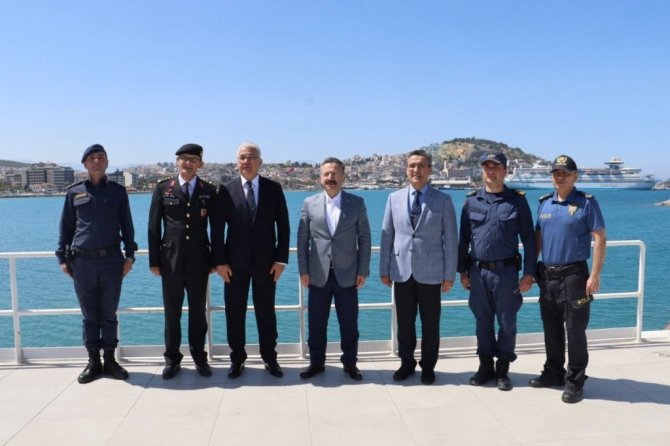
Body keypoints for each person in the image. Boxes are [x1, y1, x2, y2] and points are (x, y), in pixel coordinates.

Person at [56, 144, 137, 384]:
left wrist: (130, 256)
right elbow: (66, 227)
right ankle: (93, 362)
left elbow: (127, 226)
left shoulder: (118, 192)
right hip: (82, 262)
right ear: (85, 164)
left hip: (112, 261)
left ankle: (110, 361)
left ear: (107, 162)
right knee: (90, 316)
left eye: (101, 157)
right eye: (92, 158)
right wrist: (62, 259)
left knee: (109, 314)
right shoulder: (74, 192)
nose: (96, 161)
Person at [457, 152, 536, 391]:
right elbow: (463, 240)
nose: (491, 171)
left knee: (507, 322)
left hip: (506, 273)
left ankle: (502, 369)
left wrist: (529, 274)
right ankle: (485, 366)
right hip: (478, 273)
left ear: (505, 171)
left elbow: (529, 240)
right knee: (482, 322)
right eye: (487, 167)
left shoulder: (517, 201)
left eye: (496, 167)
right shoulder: (471, 201)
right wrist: (462, 271)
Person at [530, 155, 606, 404]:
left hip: (574, 277)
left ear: (575, 176)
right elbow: (538, 238)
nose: (560, 177)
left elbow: (600, 238)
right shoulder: (544, 203)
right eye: (556, 173)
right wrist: (530, 270)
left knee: (575, 332)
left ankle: (575, 381)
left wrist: (595, 275)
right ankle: (554, 372)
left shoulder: (586, 203)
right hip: (547, 276)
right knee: (551, 329)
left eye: (565, 173)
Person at [379, 149, 458, 385]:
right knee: (404, 323)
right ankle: (406, 363)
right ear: (406, 169)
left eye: (421, 166)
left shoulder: (443, 200)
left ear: (430, 169)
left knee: (430, 324)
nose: (416, 170)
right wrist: (384, 269)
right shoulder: (393, 198)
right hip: (401, 271)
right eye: (412, 166)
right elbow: (387, 236)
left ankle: (428, 367)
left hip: (432, 273)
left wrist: (449, 275)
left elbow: (451, 240)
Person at [214, 142, 290, 379]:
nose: (246, 161)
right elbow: (217, 229)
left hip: (267, 265)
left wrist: (281, 260)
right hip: (233, 266)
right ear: (237, 162)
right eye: (242, 157)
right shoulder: (225, 190)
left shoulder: (273, 188)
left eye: (251, 157)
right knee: (234, 313)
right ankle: (237, 359)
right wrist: (220, 262)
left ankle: (270, 358)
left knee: (266, 313)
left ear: (260, 162)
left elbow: (284, 226)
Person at [297, 157, 371, 381]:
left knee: (349, 324)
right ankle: (316, 363)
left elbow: (365, 238)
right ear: (320, 177)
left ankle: (350, 364)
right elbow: (302, 240)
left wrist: (363, 270)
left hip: (348, 274)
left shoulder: (356, 203)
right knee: (316, 324)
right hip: (317, 274)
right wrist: (303, 271)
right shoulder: (309, 203)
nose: (330, 178)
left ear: (343, 176)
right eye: (326, 174)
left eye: (335, 173)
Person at [148, 143, 218, 379]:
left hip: (199, 260)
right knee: (172, 313)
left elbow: (217, 229)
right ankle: (172, 360)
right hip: (170, 261)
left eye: (193, 159)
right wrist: (154, 261)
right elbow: (153, 227)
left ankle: (199, 358)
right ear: (177, 161)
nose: (188, 163)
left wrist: (215, 260)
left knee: (198, 313)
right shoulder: (163, 188)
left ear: (200, 164)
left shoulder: (209, 190)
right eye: (184, 158)